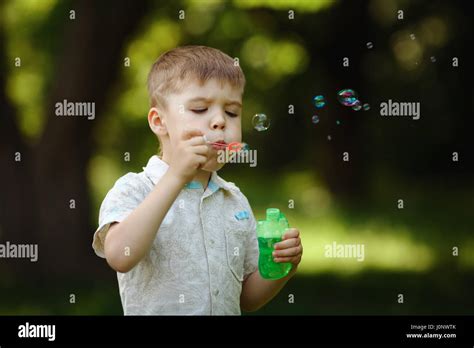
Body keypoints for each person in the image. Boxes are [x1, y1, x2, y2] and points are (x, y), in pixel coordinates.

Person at [92, 45, 303, 315]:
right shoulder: (134, 189)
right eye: (200, 108)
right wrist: (177, 175)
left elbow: (244, 299)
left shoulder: (234, 202)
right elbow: (121, 255)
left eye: (232, 112)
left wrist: (281, 267)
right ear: (159, 122)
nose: (219, 122)